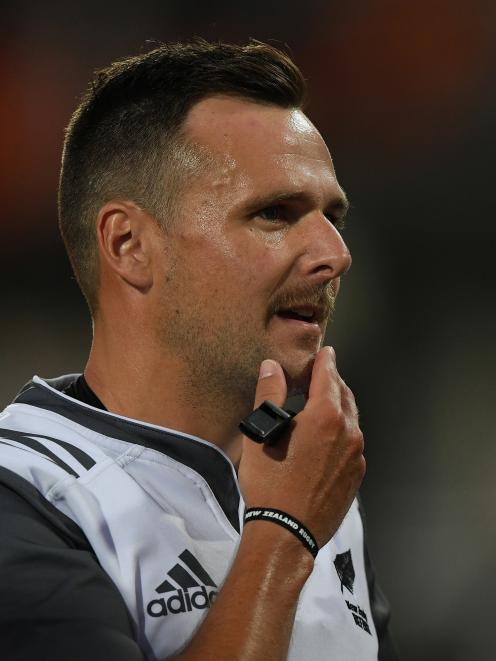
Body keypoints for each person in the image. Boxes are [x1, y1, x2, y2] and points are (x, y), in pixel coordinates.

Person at [0, 40, 398, 660]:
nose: (336, 253)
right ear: (129, 245)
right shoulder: (26, 497)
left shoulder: (319, 489)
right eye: (275, 213)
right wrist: (283, 534)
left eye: (332, 216)